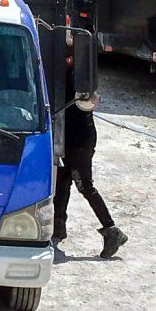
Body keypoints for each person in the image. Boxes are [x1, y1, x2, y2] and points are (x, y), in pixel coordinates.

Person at [54, 94, 127, 257]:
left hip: (79, 141)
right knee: (61, 181)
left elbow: (90, 100)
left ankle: (112, 230)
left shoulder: (81, 76)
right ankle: (57, 226)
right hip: (63, 138)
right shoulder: (59, 70)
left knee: (84, 185)